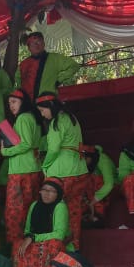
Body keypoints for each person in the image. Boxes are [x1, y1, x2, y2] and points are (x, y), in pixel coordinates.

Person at [37, 94, 86, 247]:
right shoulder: (72, 118)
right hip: (79, 169)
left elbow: (53, 149)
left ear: (50, 106)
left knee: (58, 211)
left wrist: (44, 165)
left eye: (43, 110)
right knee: (74, 212)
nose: (42, 114)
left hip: (61, 172)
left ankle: (59, 248)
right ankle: (75, 247)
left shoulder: (56, 122)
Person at [0, 89, 43, 249]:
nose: (11, 105)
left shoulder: (23, 118)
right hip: (31, 168)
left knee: (15, 211)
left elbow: (25, 143)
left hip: (21, 171)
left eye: (14, 102)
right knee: (29, 208)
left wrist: (6, 151)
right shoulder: (33, 118)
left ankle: (15, 246)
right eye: (9, 102)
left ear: (22, 102)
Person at [13, 178, 69, 267]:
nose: (47, 194)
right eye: (44, 190)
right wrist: (29, 237)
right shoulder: (35, 205)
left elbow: (59, 234)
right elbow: (27, 230)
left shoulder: (60, 207)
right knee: (18, 244)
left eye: (52, 191)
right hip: (36, 240)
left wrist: (33, 238)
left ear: (58, 194)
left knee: (54, 244)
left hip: (51, 240)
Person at [15, 32, 80, 102]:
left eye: (39, 41)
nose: (36, 45)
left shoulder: (55, 58)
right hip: (28, 104)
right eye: (33, 43)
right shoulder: (24, 64)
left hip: (48, 102)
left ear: (43, 43)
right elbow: (17, 83)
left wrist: (59, 79)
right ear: (29, 47)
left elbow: (74, 65)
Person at [80, 144, 115, 226]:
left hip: (111, 187)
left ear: (90, 156)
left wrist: (93, 201)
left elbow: (109, 184)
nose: (82, 161)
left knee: (94, 180)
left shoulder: (102, 160)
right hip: (93, 188)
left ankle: (97, 218)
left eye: (84, 158)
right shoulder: (85, 164)